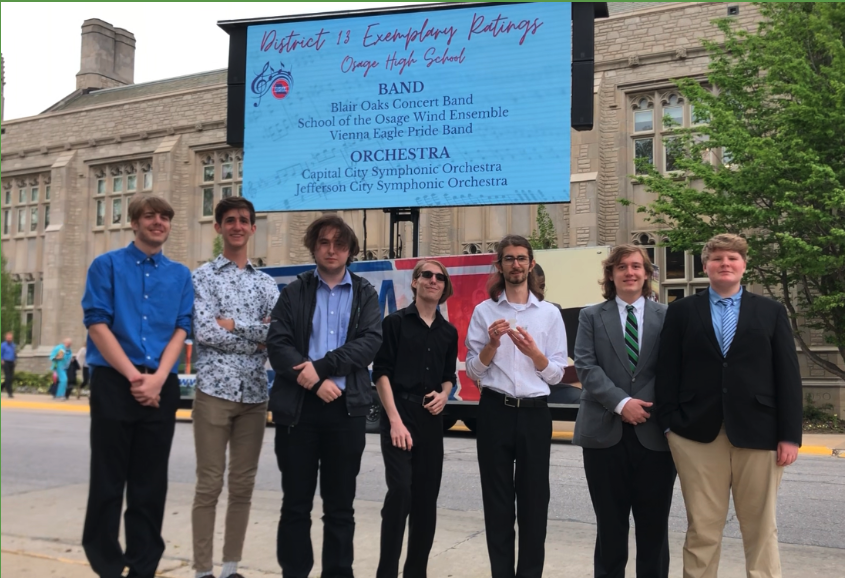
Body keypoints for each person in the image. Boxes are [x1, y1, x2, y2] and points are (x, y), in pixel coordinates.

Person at [655, 233, 803, 578]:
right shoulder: (681, 311)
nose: (725, 264)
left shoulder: (770, 311)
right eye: (718, 258)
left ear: (744, 265)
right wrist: (669, 425)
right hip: (695, 434)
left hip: (761, 432)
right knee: (702, 528)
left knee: (761, 527)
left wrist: (789, 435)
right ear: (705, 265)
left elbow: (787, 375)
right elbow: (667, 371)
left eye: (733, 258)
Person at [81, 195, 194, 578]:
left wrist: (159, 379)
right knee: (108, 480)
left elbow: (182, 328)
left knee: (150, 483)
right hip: (115, 382)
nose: (158, 222)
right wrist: (134, 377)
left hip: (161, 383)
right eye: (150, 216)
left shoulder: (180, 275)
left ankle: (144, 566)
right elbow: (97, 324)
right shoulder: (106, 266)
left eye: (165, 216)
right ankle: (107, 565)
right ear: (134, 223)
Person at [266, 215, 382, 578]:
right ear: (314, 247)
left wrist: (324, 366)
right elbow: (278, 344)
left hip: (346, 412)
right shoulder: (295, 291)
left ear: (350, 251)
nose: (332, 250)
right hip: (299, 412)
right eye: (325, 243)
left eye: (340, 244)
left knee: (340, 508)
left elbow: (369, 343)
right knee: (296, 505)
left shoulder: (365, 293)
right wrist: (315, 381)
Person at [465, 234, 568, 578]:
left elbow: (556, 375)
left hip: (536, 413)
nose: (516, 264)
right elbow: (473, 371)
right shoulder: (485, 312)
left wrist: (534, 354)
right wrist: (492, 344)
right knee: (497, 503)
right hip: (495, 409)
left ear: (532, 264)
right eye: (508, 259)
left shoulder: (550, 314)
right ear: (499, 265)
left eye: (522, 258)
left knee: (535, 502)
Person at [573, 245, 676, 578]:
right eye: (621, 267)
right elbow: (586, 367)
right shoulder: (590, 316)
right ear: (611, 274)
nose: (629, 272)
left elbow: (674, 368)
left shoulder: (669, 317)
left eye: (636, 266)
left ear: (646, 274)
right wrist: (621, 403)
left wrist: (640, 404)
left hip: (655, 434)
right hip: (604, 434)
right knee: (610, 526)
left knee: (654, 528)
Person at [191, 197, 279, 578]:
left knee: (243, 485)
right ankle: (201, 571)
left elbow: (277, 334)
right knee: (209, 484)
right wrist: (253, 332)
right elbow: (204, 331)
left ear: (253, 228)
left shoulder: (266, 283)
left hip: (255, 395)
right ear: (219, 227)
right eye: (230, 220)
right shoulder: (202, 277)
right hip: (213, 391)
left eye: (244, 220)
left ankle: (229, 569)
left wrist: (234, 325)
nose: (237, 226)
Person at [373, 259, 458, 578]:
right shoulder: (394, 323)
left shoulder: (449, 332)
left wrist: (445, 393)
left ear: (444, 287)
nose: (433, 280)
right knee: (400, 494)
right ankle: (387, 572)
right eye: (427, 275)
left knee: (425, 502)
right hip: (399, 413)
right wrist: (394, 420)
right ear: (414, 282)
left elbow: (449, 376)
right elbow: (380, 373)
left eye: (440, 277)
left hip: (430, 420)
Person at [1, 332, 17, 398]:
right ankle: (9, 393)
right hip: (5, 362)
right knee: (8, 377)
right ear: (6, 338)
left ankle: (1, 387)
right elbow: (1, 353)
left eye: (10, 338)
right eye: (8, 338)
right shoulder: (3, 345)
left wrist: (15, 360)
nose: (9, 339)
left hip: (12, 362)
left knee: (11, 377)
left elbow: (14, 353)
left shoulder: (13, 345)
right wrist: (2, 360)